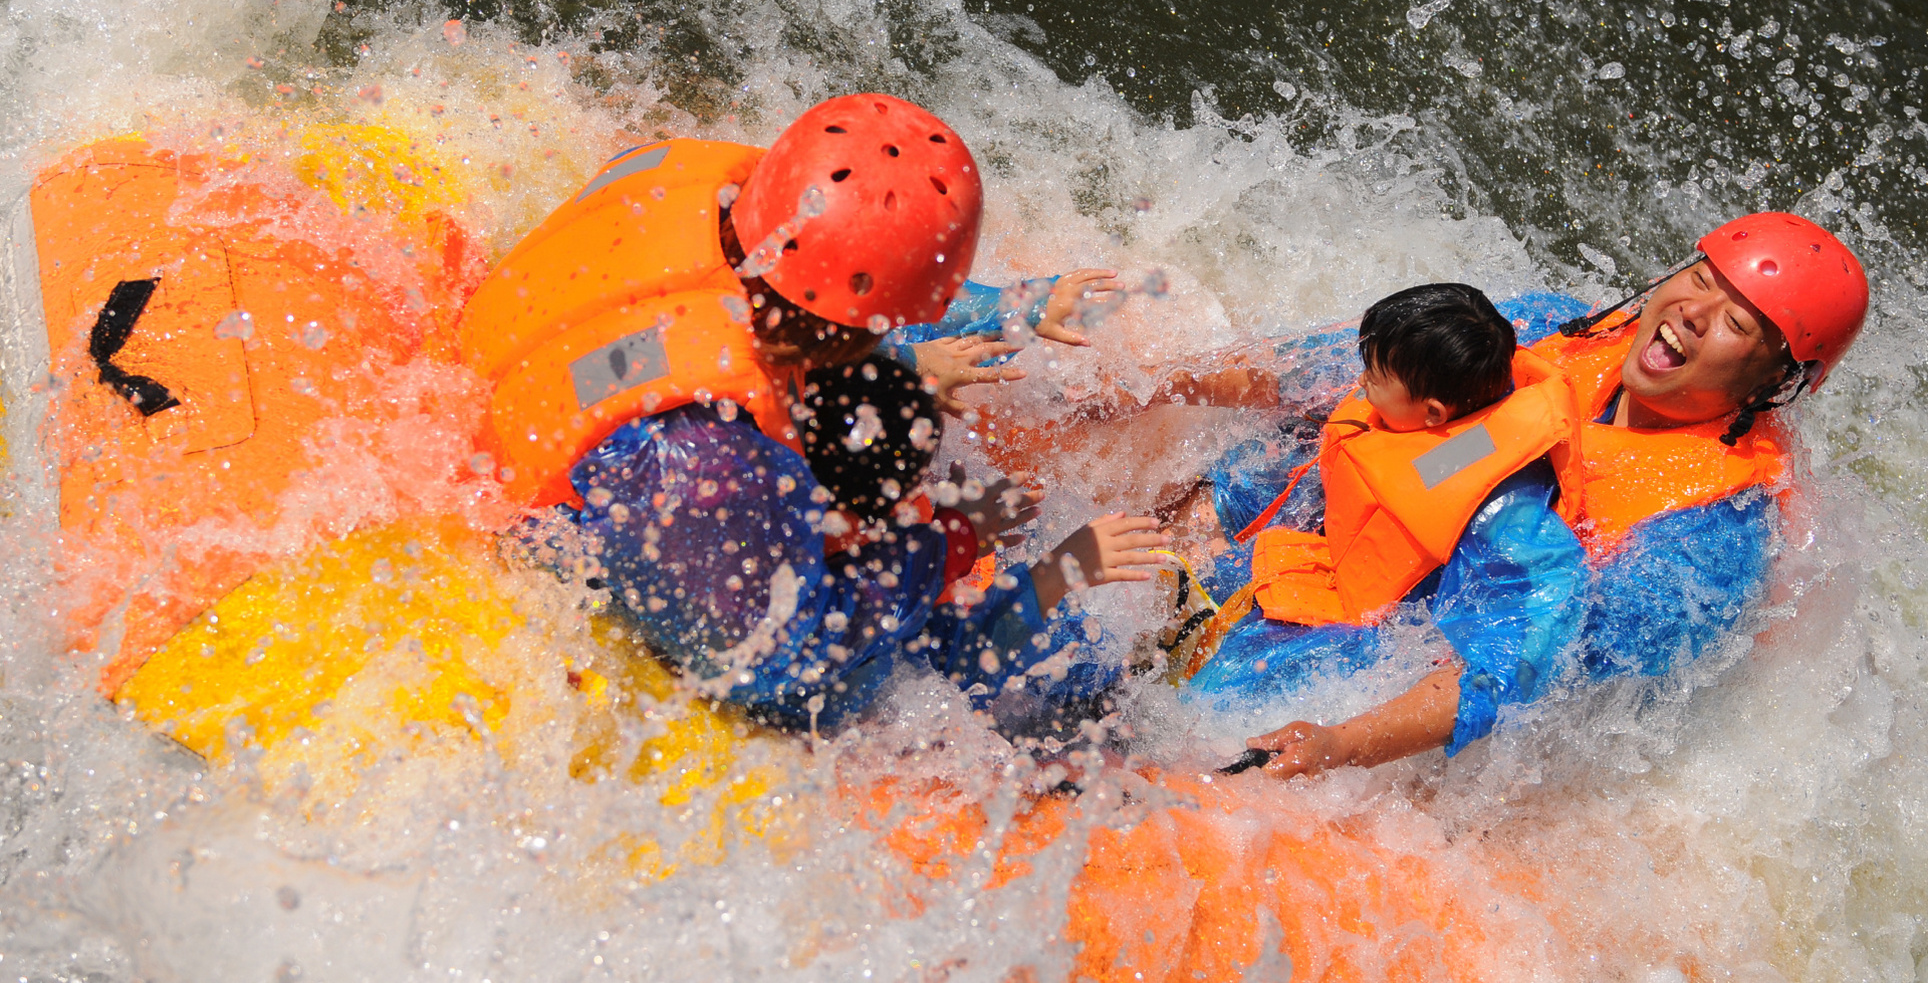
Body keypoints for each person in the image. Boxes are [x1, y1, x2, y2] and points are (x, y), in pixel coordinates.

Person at [459, 93, 1164, 730]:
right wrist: (949, 540)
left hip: (551, 379)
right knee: (875, 678)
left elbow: (839, 276)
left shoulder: (736, 198)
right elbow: (774, 664)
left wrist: (1008, 309)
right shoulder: (704, 456)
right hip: (586, 529)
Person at [1172, 213, 1868, 777]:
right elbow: (1337, 369)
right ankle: (1195, 531)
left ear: (1773, 382)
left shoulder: (1710, 539)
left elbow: (1527, 664)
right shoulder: (1552, 333)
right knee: (1303, 447)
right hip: (1318, 554)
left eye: (1736, 324)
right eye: (1699, 279)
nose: (1693, 313)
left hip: (1387, 666)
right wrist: (1149, 386)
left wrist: (1341, 744)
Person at [1187, 282, 1579, 656]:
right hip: (1338, 542)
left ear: (1433, 413)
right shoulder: (1422, 374)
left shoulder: (1494, 505)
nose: (1360, 381)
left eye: (1373, 378)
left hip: (1368, 617)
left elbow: (1542, 600)